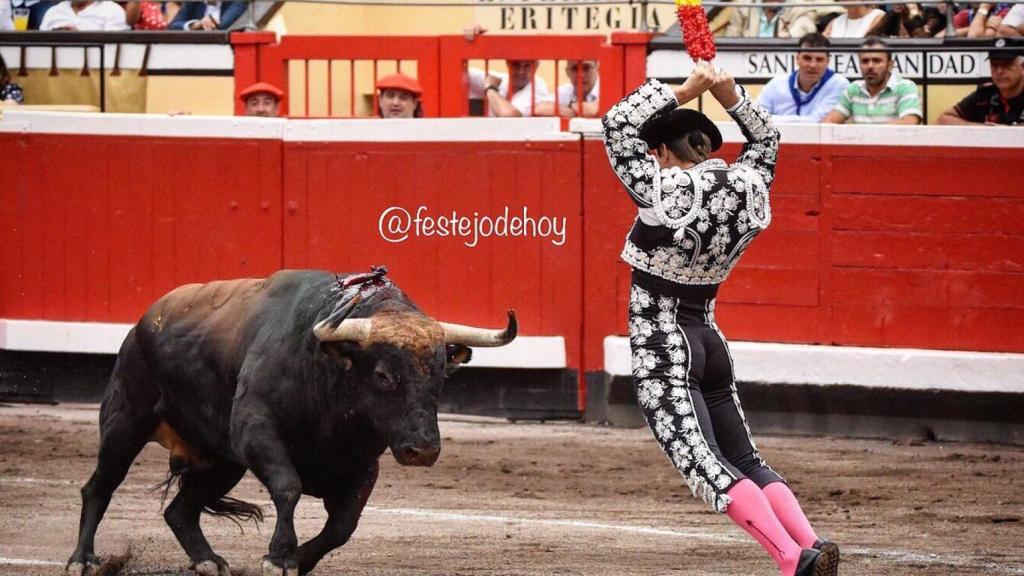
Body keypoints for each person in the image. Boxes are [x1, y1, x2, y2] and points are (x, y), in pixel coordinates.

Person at [602, 61, 839, 576]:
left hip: (663, 344)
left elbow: (617, 125)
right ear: (705, 147)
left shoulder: (664, 192)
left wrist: (686, 89)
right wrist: (732, 96)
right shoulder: (748, 186)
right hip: (710, 340)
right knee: (745, 458)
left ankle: (791, 559)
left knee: (705, 461)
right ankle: (811, 542)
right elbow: (767, 139)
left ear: (662, 152)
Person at [823, 37, 922, 124]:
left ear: (890, 65)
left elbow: (909, 122)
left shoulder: (905, 87)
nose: (870, 66)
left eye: (877, 61)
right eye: (865, 61)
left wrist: (867, 135)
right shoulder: (853, 89)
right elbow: (829, 121)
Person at [758, 32, 850, 122]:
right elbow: (756, 118)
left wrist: (770, 119)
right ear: (797, 58)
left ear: (828, 61)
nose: (813, 65)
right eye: (807, 58)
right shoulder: (776, 84)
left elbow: (818, 122)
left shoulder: (839, 84)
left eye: (819, 59)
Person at [937, 41, 1024, 125]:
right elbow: (943, 119)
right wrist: (983, 129)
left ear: (1022, 67)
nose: (999, 71)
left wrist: (1006, 131)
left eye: (1007, 65)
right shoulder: (985, 94)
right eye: (994, 65)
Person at [466, 60, 550, 117]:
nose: (521, 71)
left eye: (527, 66)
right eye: (515, 65)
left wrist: (490, 88)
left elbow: (509, 115)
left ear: (536, 66)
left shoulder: (538, 87)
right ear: (507, 63)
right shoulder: (504, 79)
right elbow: (461, 69)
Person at [724, 0, 841, 38]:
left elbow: (806, 25)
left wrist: (789, 35)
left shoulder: (800, 6)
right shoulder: (743, 7)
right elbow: (731, 37)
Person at [534, 59, 600, 118]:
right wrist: (573, 112)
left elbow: (597, 110)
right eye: (575, 68)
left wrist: (565, 110)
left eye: (586, 68)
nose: (581, 75)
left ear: (597, 68)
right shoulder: (565, 91)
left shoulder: (604, 89)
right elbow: (538, 109)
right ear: (567, 72)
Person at [39, 0, 128, 30]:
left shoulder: (112, 10)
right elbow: (40, 47)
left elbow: (115, 49)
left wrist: (79, 38)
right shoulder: (53, 11)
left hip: (97, 66)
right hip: (53, 66)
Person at [168, 0, 245, 31]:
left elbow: (221, 25)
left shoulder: (238, 2)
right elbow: (172, 26)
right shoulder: (193, 2)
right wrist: (194, 25)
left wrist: (206, 23)